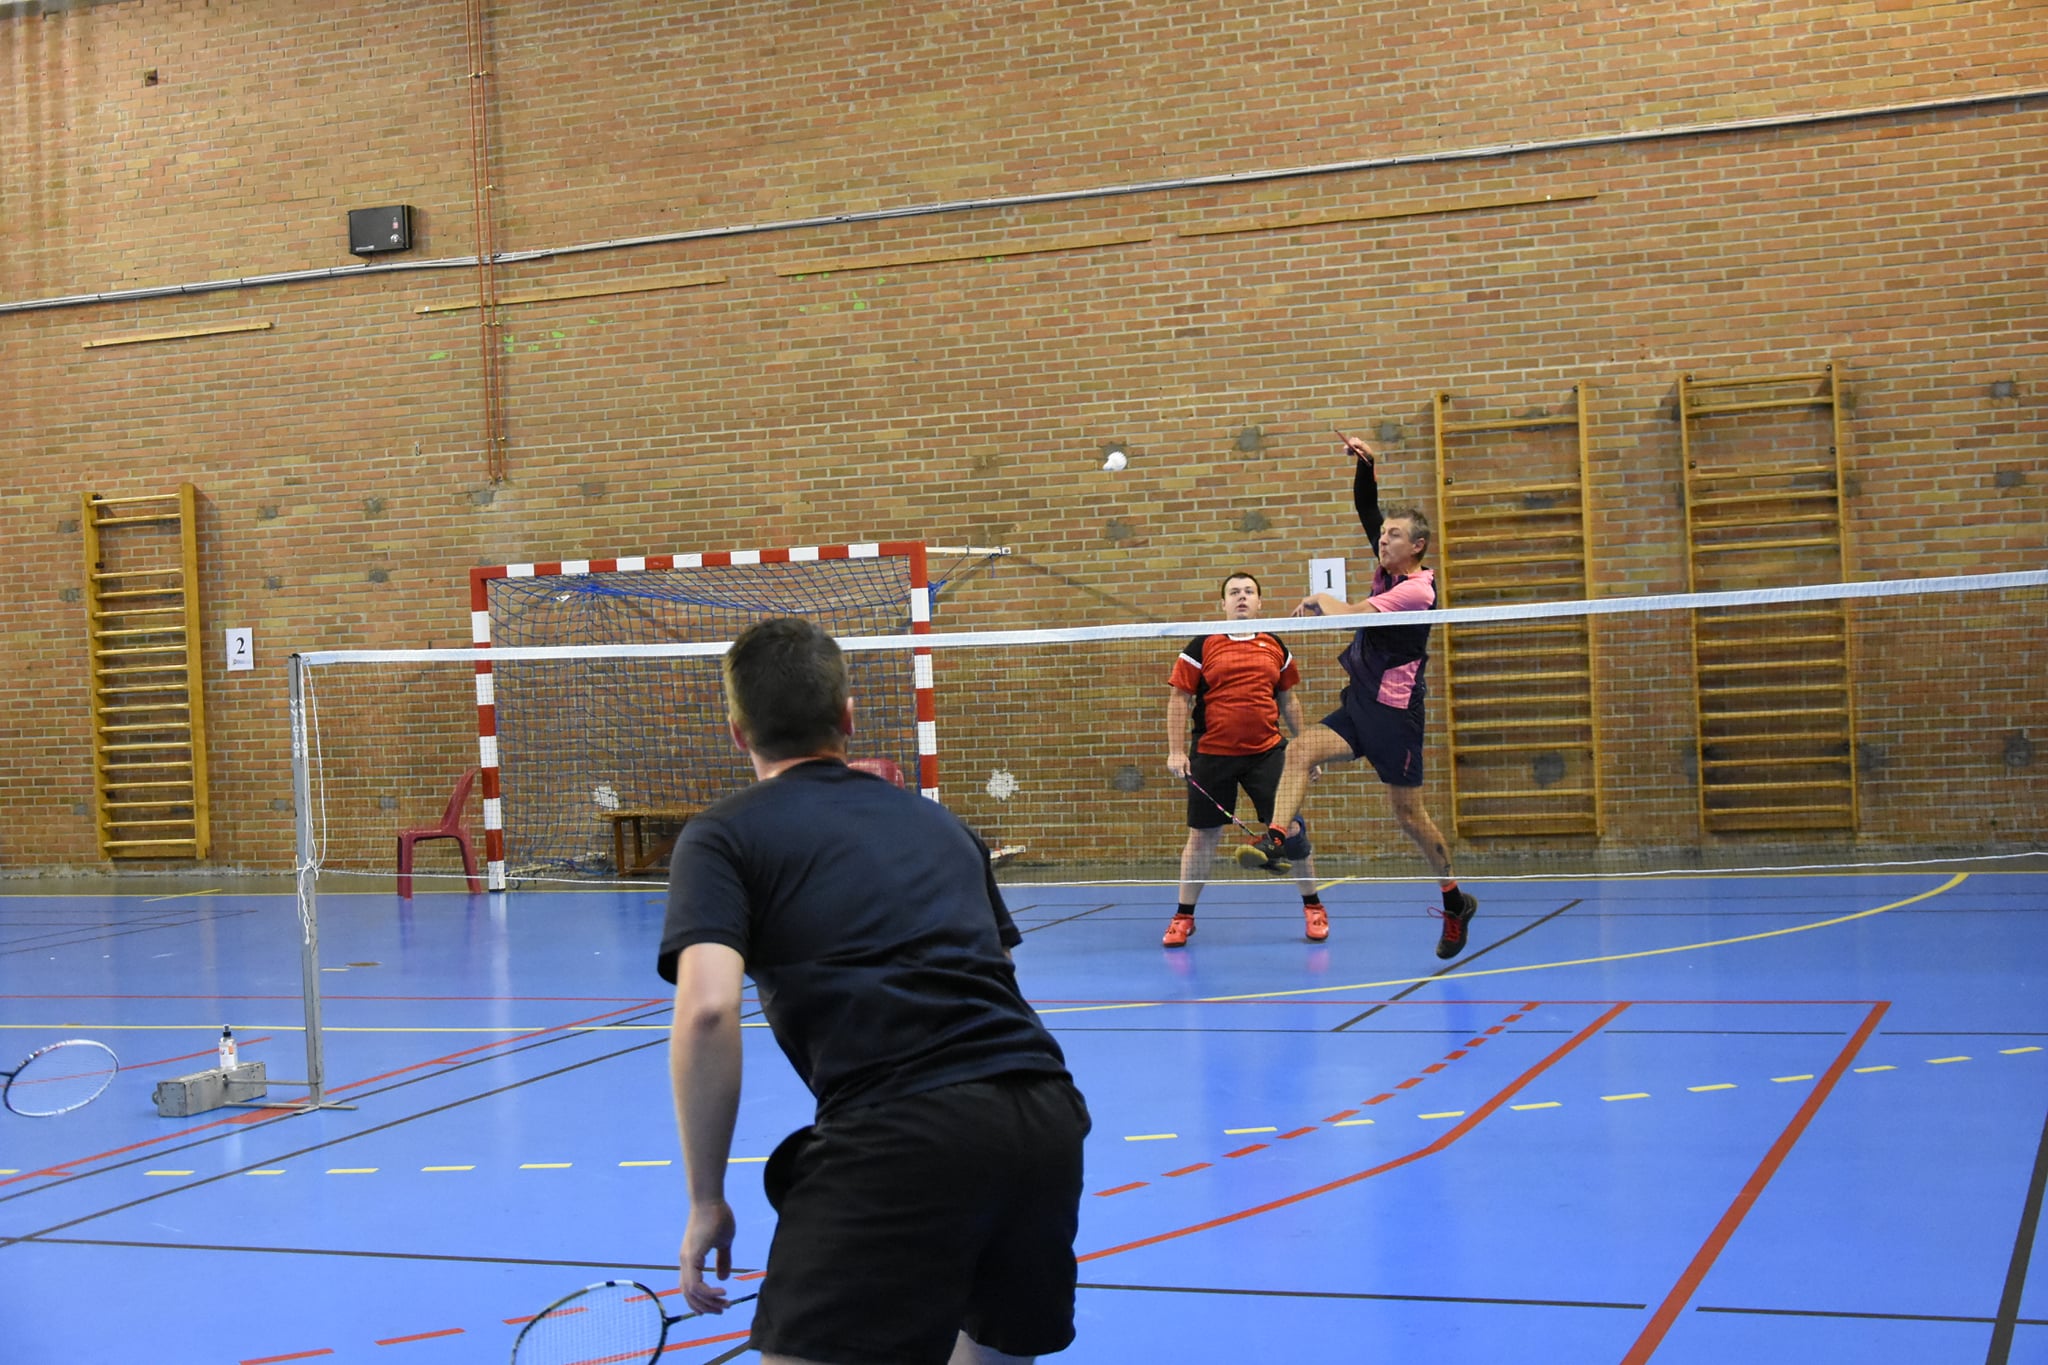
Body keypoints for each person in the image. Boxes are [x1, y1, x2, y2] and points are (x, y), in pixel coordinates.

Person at [658, 616, 1091, 1365]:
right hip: (1044, 1118)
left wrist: (705, 1199)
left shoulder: (722, 835)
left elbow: (706, 1011)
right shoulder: (944, 825)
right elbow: (1001, 977)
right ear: (849, 717)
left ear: (737, 731)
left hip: (900, 1125)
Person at [1234, 434, 1479, 960]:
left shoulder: (1417, 590)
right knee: (1301, 749)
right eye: (1383, 535)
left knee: (1408, 814)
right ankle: (1275, 837)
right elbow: (1368, 508)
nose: (1383, 540)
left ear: (1417, 546)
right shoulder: (1389, 566)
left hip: (1396, 715)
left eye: (1394, 536)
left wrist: (1319, 598)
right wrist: (1366, 466)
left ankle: (1454, 900)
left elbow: (1348, 614)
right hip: (1361, 701)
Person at [1164, 572, 1329, 944]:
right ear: (1222, 603)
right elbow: (1179, 699)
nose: (1242, 597)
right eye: (1234, 592)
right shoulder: (1201, 645)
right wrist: (1176, 750)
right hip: (1212, 754)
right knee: (1202, 838)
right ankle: (1183, 916)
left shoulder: (1275, 645)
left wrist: (1306, 749)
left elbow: (1289, 700)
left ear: (1259, 602)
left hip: (1266, 753)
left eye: (1249, 592)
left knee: (1291, 829)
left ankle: (1313, 906)